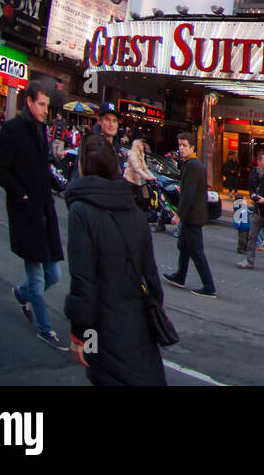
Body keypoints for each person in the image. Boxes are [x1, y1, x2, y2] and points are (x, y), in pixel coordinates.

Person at [64, 134, 168, 385]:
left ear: (83, 167)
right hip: (139, 324)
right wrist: (156, 311)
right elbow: (151, 274)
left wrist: (80, 334)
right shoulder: (134, 212)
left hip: (105, 326)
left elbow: (83, 280)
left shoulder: (81, 212)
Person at [0, 77, 68, 350]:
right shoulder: (13, 129)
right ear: (28, 102)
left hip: (44, 209)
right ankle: (44, 328)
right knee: (37, 278)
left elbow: (41, 166)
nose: (45, 110)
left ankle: (20, 293)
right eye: (41, 104)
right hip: (26, 212)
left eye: (47, 105)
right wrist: (21, 194)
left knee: (54, 275)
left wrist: (55, 179)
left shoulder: (41, 128)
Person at [162, 133, 217, 298]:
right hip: (191, 216)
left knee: (196, 251)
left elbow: (189, 193)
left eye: (185, 145)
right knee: (184, 247)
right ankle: (180, 276)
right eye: (179, 145)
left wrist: (179, 215)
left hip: (193, 216)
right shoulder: (188, 163)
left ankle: (209, 287)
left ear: (193, 147)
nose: (181, 148)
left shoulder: (193, 165)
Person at [123, 138, 156, 209]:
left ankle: (141, 212)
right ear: (137, 146)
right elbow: (137, 169)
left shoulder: (141, 155)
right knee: (138, 198)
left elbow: (145, 167)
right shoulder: (132, 155)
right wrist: (147, 177)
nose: (143, 147)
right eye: (141, 145)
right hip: (131, 179)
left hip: (141, 179)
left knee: (146, 197)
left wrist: (152, 176)